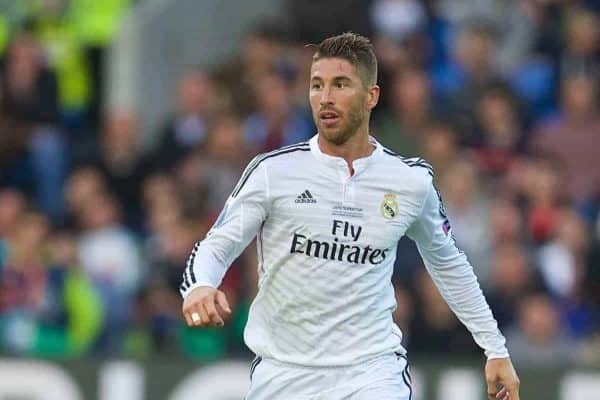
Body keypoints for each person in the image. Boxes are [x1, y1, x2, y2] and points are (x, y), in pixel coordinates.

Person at [181, 32, 520, 400]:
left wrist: (494, 347)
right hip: (284, 374)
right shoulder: (272, 172)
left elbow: (449, 264)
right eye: (316, 85)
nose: (325, 98)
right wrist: (201, 285)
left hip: (372, 372)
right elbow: (217, 244)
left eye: (340, 84)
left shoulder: (409, 181)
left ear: (371, 96)